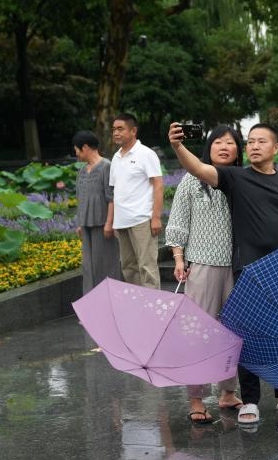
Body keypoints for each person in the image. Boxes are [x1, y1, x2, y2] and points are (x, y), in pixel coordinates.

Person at [169, 121, 278, 426]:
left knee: (266, 334)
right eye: (250, 141)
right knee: (215, 333)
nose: (253, 146)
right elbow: (197, 172)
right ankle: (222, 398)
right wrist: (177, 146)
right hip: (224, 268)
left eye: (259, 141)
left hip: (274, 269)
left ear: (276, 148)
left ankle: (259, 394)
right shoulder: (232, 177)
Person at [166, 125, 245, 424]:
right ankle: (196, 398)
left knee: (232, 333)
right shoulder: (192, 181)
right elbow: (178, 222)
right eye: (218, 142)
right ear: (208, 148)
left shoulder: (242, 180)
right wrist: (178, 257)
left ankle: (227, 392)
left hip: (236, 267)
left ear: (239, 149)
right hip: (202, 266)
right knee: (197, 333)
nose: (224, 146)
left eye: (231, 142)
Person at [109, 113, 164, 289]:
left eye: (120, 129)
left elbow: (158, 185)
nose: (116, 133)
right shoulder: (116, 157)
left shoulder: (146, 154)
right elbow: (115, 191)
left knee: (147, 267)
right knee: (128, 268)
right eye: (114, 129)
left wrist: (155, 217)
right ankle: (138, 307)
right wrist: (112, 222)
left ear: (133, 131)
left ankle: (154, 311)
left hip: (142, 219)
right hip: (122, 222)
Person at [72, 130, 121, 295]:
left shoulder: (106, 166)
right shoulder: (81, 171)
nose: (76, 154)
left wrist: (109, 223)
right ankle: (91, 307)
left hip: (102, 225)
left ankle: (109, 302)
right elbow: (80, 197)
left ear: (85, 147)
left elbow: (111, 197)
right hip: (86, 225)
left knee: (105, 265)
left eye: (77, 150)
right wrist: (79, 222)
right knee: (88, 266)